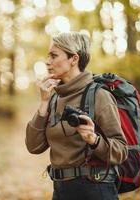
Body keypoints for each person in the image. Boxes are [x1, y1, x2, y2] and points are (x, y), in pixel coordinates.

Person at [25, 32, 128, 200]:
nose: (47, 61)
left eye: (53, 55)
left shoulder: (98, 95)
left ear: (73, 59)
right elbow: (33, 146)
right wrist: (44, 102)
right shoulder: (54, 97)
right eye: (48, 56)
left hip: (95, 189)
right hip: (61, 191)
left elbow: (121, 151)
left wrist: (94, 140)